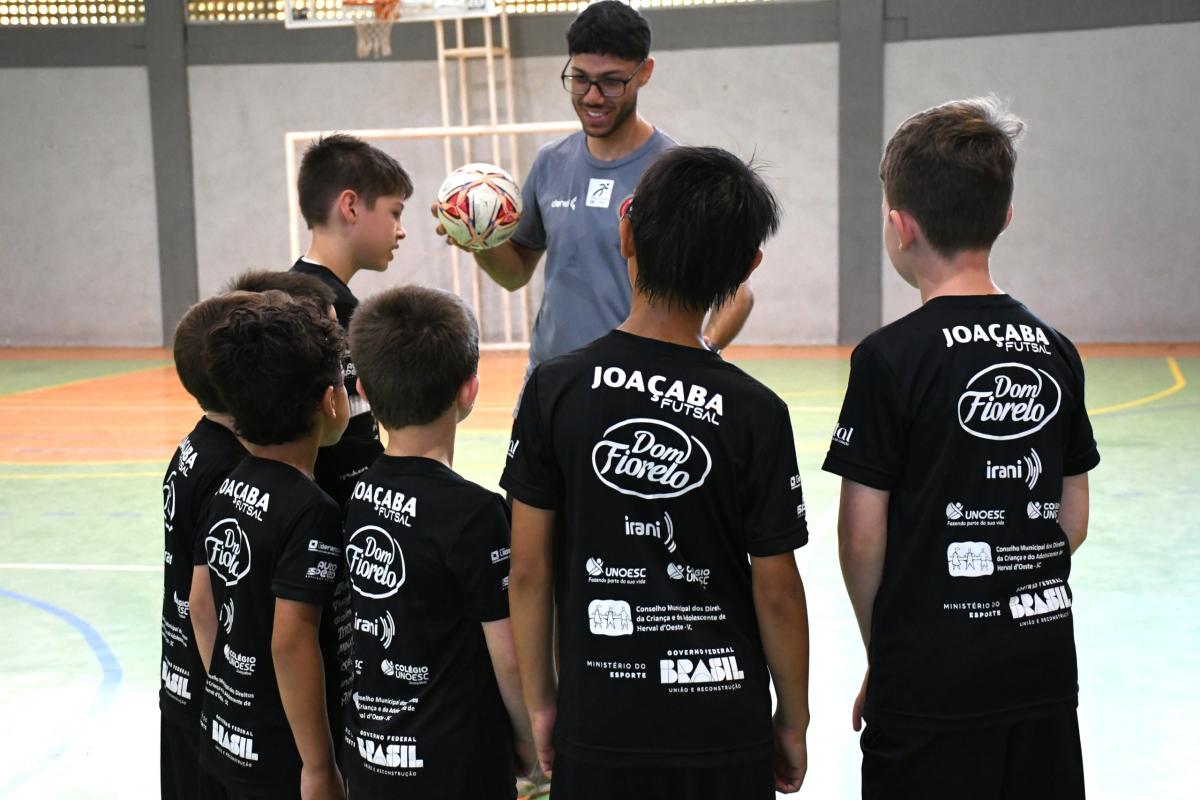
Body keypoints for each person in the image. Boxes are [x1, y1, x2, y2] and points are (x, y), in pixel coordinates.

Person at [502, 146, 811, 799]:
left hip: (601, 717)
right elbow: (778, 589)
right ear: (746, 267)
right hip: (723, 724)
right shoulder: (757, 411)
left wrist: (541, 702)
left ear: (626, 234)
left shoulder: (554, 389)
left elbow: (527, 568)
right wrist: (793, 718)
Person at [823, 96, 1099, 800]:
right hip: (1040, 667)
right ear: (1004, 217)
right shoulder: (1055, 350)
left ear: (900, 226)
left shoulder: (888, 359)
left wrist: (885, 651)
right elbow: (1072, 515)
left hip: (928, 682)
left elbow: (860, 537)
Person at [435, 0, 753, 385]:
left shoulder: (676, 174)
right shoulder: (550, 161)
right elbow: (515, 273)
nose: (592, 96)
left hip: (634, 384)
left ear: (644, 72)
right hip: (550, 380)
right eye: (580, 78)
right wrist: (478, 237)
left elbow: (738, 294)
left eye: (611, 81)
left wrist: (701, 352)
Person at [340, 285, 535, 798]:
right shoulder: (476, 515)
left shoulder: (359, 493)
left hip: (371, 761)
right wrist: (530, 738)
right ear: (469, 391)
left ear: (363, 391)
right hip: (457, 765)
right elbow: (509, 655)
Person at [189, 300, 351, 800]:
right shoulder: (311, 511)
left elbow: (200, 606)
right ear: (329, 402)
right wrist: (318, 766)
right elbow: (291, 641)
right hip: (285, 757)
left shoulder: (227, 483)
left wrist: (235, 703)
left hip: (226, 733)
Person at [161, 291, 271, 800]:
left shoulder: (194, 445)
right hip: (210, 699)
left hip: (179, 680)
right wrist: (228, 701)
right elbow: (205, 603)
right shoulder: (230, 468)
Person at [291, 133, 413, 507]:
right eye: (395, 212)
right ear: (351, 207)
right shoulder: (334, 310)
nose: (401, 230)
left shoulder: (291, 291)